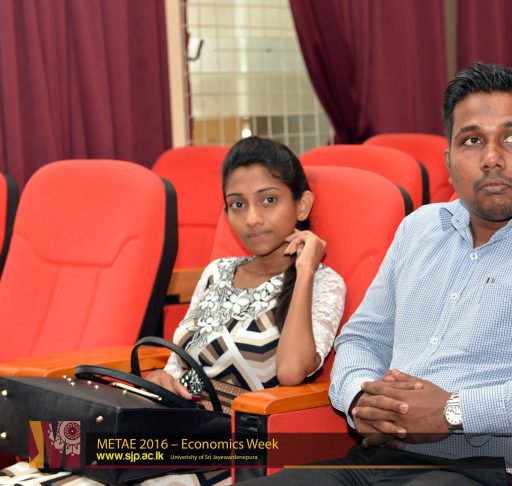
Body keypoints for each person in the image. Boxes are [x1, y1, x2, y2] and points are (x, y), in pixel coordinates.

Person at [249, 63, 512, 485]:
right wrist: (360, 398)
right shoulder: (418, 229)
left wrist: (455, 410)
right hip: (376, 459)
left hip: (484, 472)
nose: (492, 158)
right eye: (472, 140)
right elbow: (363, 339)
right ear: (450, 164)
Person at [0, 136, 346, 486]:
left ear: (301, 205)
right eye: (237, 205)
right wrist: (162, 380)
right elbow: (177, 363)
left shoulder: (322, 283)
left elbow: (291, 372)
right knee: (36, 462)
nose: (253, 218)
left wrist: (305, 269)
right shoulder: (217, 271)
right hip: (170, 427)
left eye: (268, 200)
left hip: (230, 449)